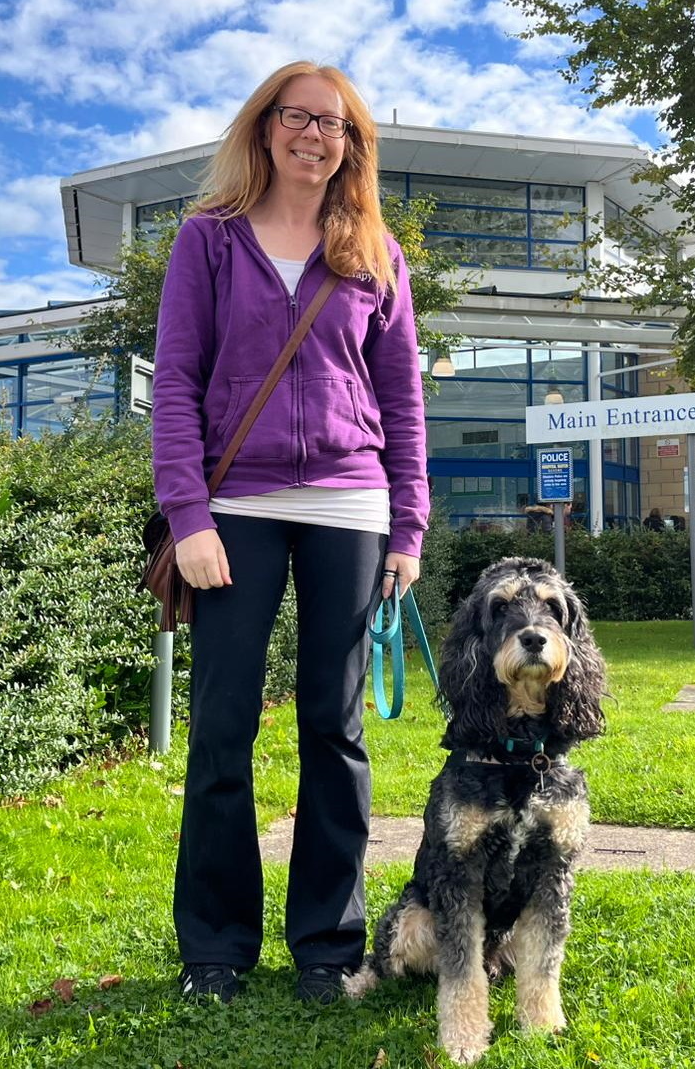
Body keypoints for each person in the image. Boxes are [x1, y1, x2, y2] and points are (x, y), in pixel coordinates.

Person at [150, 61, 428, 1007]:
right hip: (236, 511)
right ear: (265, 128)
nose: (316, 134)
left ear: (353, 144)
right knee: (222, 728)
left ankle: (327, 946)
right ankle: (215, 950)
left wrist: (408, 527)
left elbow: (404, 401)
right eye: (298, 116)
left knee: (333, 729)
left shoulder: (375, 253)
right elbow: (176, 387)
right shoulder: (207, 241)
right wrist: (188, 516)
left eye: (336, 123)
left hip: (351, 506)